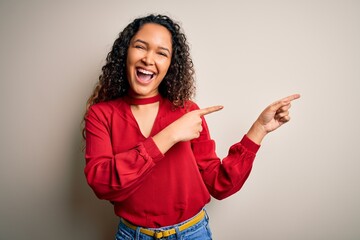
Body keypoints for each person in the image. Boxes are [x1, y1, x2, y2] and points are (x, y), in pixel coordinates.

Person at [83, 14, 300, 240]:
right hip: (133, 235)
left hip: (192, 234)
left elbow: (220, 185)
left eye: (161, 53)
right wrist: (170, 135)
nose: (148, 58)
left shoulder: (188, 111)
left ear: (170, 65)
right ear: (125, 53)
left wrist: (259, 129)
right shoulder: (101, 115)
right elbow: (102, 183)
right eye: (140, 47)